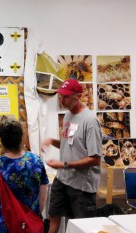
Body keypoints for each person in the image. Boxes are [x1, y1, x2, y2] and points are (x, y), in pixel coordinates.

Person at [40, 79, 102, 233]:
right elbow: (70, 144)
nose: (62, 99)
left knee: (81, 228)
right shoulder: (68, 115)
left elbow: (95, 159)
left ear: (78, 96)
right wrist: (51, 141)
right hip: (62, 180)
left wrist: (64, 164)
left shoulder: (90, 121)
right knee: (53, 218)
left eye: (66, 96)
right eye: (61, 96)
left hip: (81, 186)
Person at [0, 119, 49, 232]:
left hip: (2, 225)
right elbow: (42, 198)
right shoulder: (36, 161)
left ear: (1, 140)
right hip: (28, 225)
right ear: (21, 137)